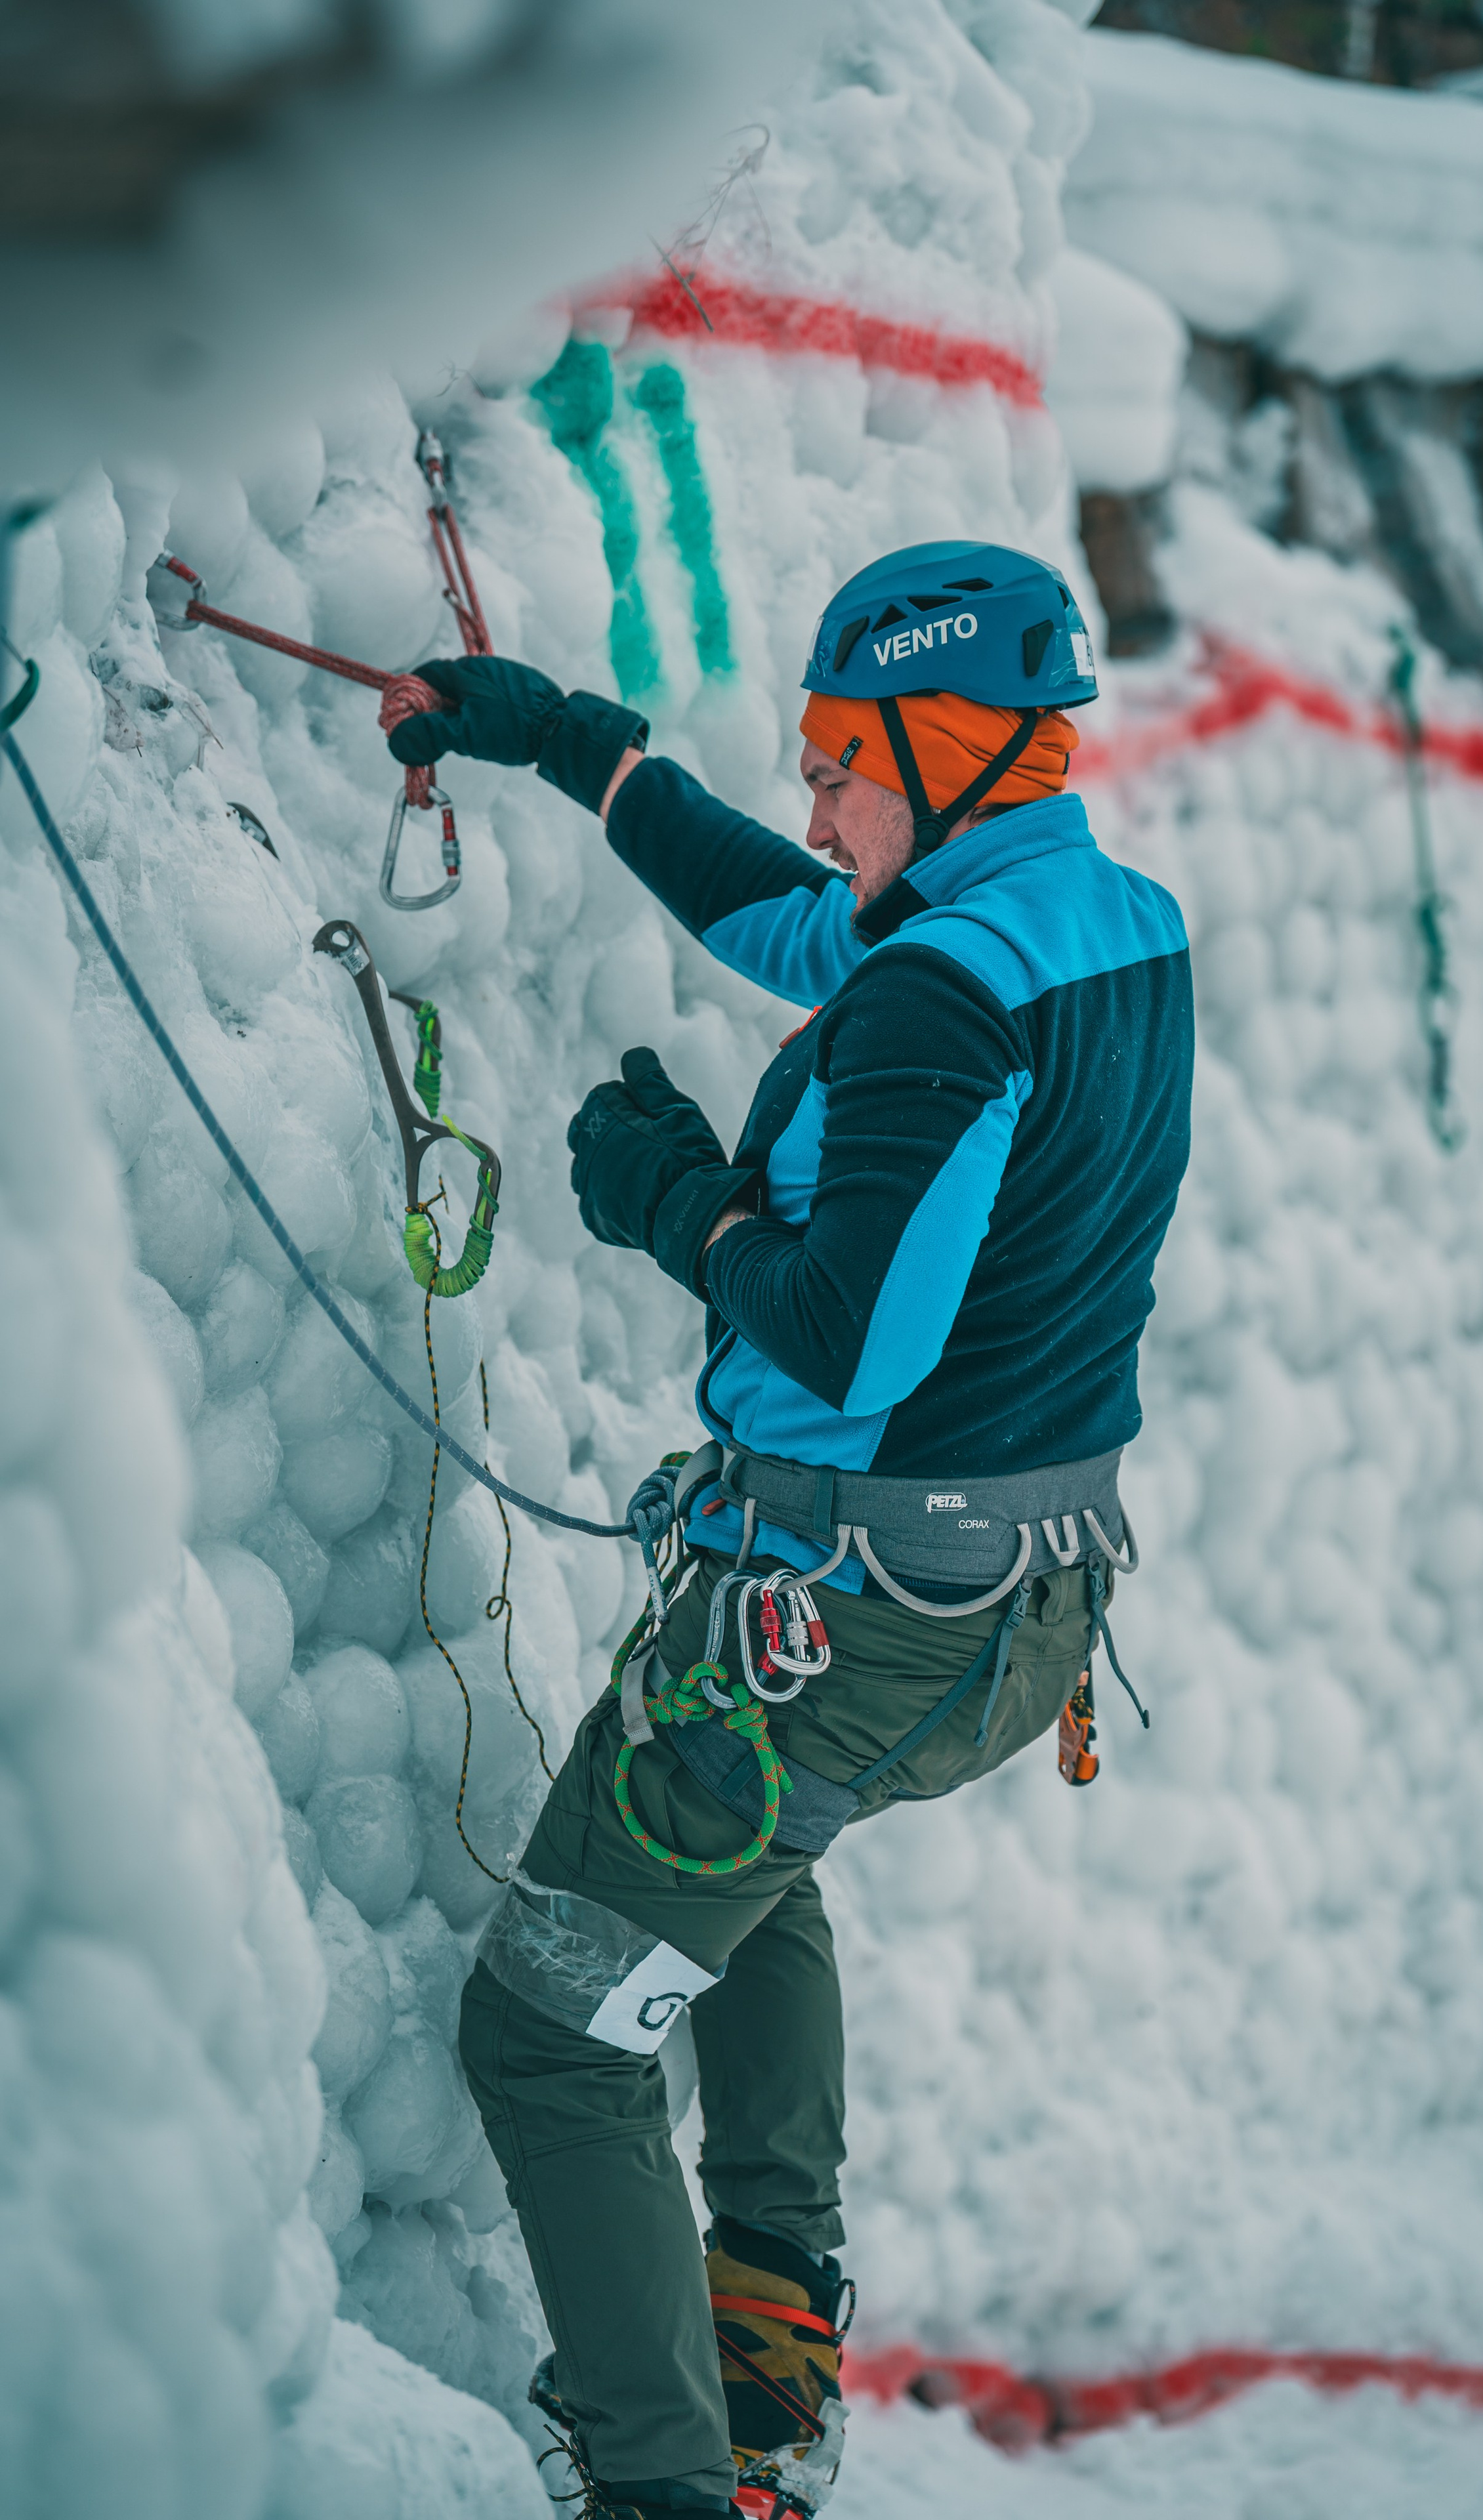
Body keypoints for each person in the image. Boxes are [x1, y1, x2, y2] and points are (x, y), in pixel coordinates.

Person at [387, 540, 1194, 2520]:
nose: (820, 796)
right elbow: (808, 917)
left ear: (953, 745)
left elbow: (840, 1329)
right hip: (1015, 1614)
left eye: (845, 754)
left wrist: (676, 1204)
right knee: (763, 1859)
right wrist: (585, 752)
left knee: (550, 2044)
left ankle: (669, 2489)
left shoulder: (942, 996)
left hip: (847, 1613)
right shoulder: (1099, 924)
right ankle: (766, 2355)